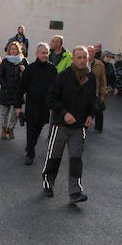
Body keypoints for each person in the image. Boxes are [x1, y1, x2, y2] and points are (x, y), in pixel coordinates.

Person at [43, 46, 97, 203]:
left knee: (76, 160)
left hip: (79, 127)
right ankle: (48, 183)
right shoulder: (63, 76)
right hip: (60, 126)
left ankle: (75, 192)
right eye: (79, 57)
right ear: (73, 59)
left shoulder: (90, 77)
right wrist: (64, 113)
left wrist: (90, 115)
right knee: (54, 158)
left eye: (84, 57)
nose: (82, 60)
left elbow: (92, 99)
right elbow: (51, 98)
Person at [19, 42, 57, 165]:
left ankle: (30, 145)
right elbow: (21, 87)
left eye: (47, 53)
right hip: (32, 104)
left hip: (45, 105)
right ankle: (30, 154)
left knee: (39, 127)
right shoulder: (30, 69)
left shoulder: (52, 69)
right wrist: (18, 106)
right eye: (43, 53)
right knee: (31, 128)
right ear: (37, 54)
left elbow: (56, 87)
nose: (45, 55)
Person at [0, 40, 26, 139]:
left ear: (18, 50)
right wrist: (5, 85)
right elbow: (0, 75)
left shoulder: (22, 61)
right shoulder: (5, 61)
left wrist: (23, 71)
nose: (13, 51)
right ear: (9, 50)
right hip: (7, 90)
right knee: (5, 112)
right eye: (11, 49)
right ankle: (3, 129)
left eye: (15, 49)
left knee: (15, 113)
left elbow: (28, 76)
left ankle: (11, 129)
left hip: (17, 91)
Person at [88, 44, 109, 132]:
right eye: (88, 51)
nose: (90, 53)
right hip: (84, 89)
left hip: (95, 90)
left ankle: (98, 127)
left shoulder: (99, 64)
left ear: (94, 53)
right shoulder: (82, 62)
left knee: (98, 109)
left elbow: (103, 80)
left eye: (92, 51)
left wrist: (103, 94)